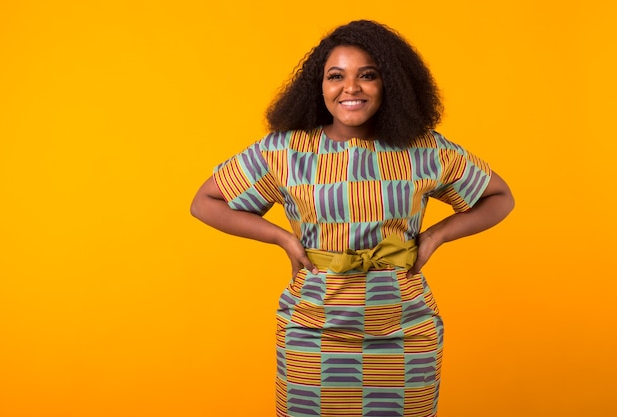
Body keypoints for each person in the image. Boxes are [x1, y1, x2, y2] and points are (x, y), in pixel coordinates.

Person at [191, 19, 514, 417]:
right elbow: (205, 202)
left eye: (368, 75)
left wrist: (437, 235)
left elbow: (499, 196)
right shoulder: (286, 150)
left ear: (389, 83)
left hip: (404, 330)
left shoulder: (424, 148)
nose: (351, 88)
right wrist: (283, 239)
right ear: (319, 86)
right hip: (312, 329)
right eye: (336, 76)